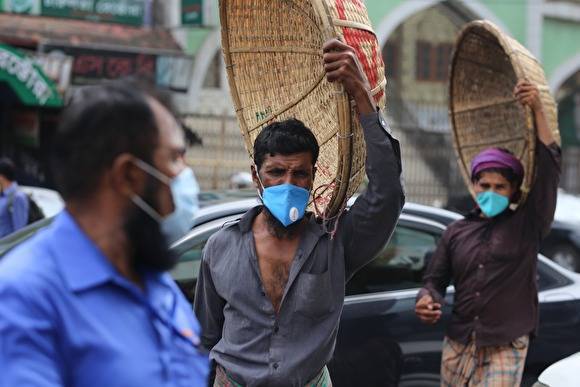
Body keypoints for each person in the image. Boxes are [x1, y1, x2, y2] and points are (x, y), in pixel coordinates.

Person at [194, 39, 405, 387]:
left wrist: (362, 96)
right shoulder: (220, 247)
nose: (288, 183)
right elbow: (205, 338)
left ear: (313, 177)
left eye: (299, 174)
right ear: (256, 176)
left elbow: (388, 194)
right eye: (276, 172)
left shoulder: (336, 244)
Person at [0, 81, 208, 386]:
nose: (187, 178)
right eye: (175, 159)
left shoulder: (156, 285)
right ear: (128, 175)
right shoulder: (26, 296)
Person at [415, 80, 560, 386]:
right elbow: (434, 281)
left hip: (506, 344)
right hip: (458, 343)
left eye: (500, 187)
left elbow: (549, 165)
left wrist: (537, 109)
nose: (491, 192)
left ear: (513, 191)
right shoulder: (456, 231)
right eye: (485, 185)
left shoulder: (528, 223)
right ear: (475, 185)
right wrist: (427, 298)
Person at [0, 157, 30, 238]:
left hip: (7, 249)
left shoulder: (18, 197)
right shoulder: (3, 196)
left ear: (1, 177)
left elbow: (19, 233)